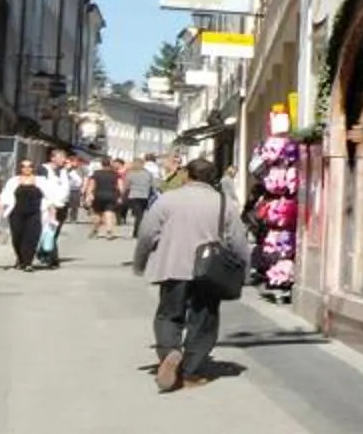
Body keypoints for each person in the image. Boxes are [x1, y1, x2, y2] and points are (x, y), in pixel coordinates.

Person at [133, 155, 248, 391]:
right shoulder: (224, 203)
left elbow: (147, 232)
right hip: (209, 272)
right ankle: (191, 372)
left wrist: (140, 261)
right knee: (204, 320)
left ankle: (170, 351)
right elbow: (238, 241)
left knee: (168, 314)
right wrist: (243, 271)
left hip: (173, 267)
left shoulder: (167, 199)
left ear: (187, 175)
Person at [4, 159, 44, 271]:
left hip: (34, 213)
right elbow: (6, 195)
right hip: (16, 213)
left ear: (33, 168)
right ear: (20, 168)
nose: (27, 168)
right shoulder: (13, 181)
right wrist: (0, 205)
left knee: (32, 237)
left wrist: (51, 209)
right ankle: (20, 259)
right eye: (24, 166)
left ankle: (28, 262)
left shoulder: (40, 181)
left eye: (30, 166)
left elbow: (50, 196)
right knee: (17, 237)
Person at [88, 151, 123, 238]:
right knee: (109, 213)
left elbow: (92, 185)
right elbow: (120, 186)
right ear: (110, 164)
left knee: (97, 213)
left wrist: (89, 194)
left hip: (98, 195)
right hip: (111, 195)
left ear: (101, 164)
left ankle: (95, 230)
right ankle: (109, 231)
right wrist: (121, 196)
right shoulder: (115, 174)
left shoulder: (96, 173)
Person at [126, 155, 158, 236]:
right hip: (144, 196)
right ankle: (137, 231)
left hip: (133, 196)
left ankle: (136, 231)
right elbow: (153, 185)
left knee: (138, 215)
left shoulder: (130, 173)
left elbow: (127, 185)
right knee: (140, 214)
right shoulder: (148, 174)